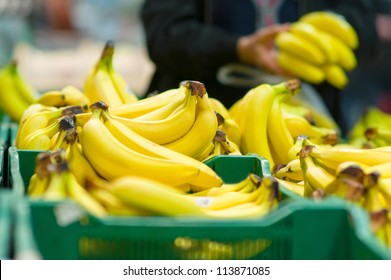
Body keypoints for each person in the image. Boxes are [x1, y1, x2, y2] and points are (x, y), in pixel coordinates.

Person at [140, 0, 380, 135]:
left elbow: (365, 23)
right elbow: (164, 36)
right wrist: (238, 49)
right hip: (196, 124)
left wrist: (315, 46)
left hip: (313, 123)